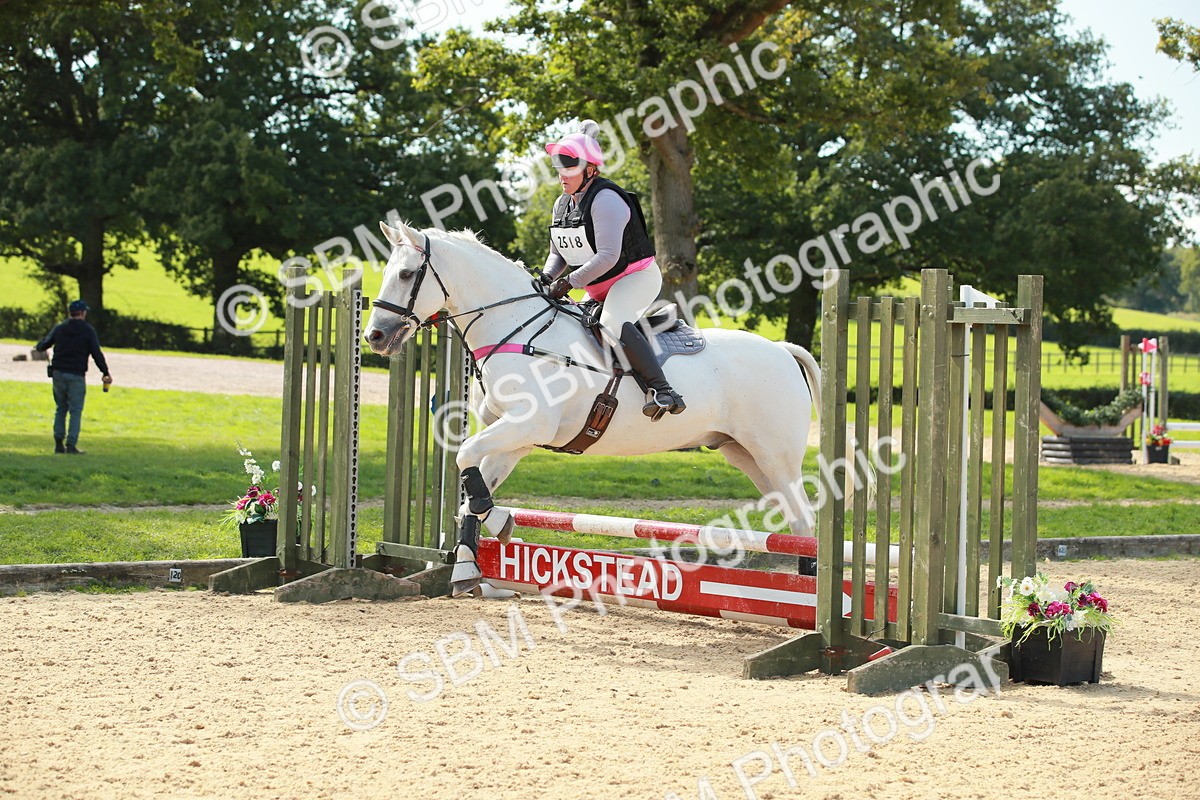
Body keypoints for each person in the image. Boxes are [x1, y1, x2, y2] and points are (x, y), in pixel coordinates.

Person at [542, 120, 686, 418]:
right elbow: (558, 254)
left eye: (569, 166)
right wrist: (546, 278)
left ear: (590, 170)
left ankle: (663, 389)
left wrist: (569, 283)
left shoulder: (606, 199)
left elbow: (608, 257)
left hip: (636, 277)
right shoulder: (561, 205)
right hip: (597, 286)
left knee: (612, 322)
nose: (561, 175)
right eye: (559, 166)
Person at [35, 300, 112, 454]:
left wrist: (40, 344)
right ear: (83, 313)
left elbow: (43, 345)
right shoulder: (88, 331)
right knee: (75, 410)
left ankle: (58, 443)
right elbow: (97, 354)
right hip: (76, 374)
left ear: (70, 313)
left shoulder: (60, 328)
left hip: (58, 373)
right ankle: (71, 444)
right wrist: (105, 372)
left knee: (61, 408)